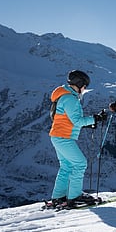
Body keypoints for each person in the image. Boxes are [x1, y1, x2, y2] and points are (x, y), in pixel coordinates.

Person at [49, 70, 107, 208]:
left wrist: (90, 123)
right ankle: (74, 197)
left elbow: (67, 120)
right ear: (79, 84)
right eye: (85, 86)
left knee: (66, 166)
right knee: (80, 164)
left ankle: (58, 196)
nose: (84, 89)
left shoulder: (64, 96)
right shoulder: (70, 99)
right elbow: (76, 121)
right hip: (64, 138)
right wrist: (95, 118)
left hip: (57, 136)